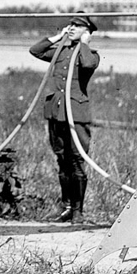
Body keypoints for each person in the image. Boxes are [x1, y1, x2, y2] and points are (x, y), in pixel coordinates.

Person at [29, 12, 100, 225]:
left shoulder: (90, 54)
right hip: (56, 112)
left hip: (76, 114)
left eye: (78, 26)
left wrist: (84, 43)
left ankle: (78, 211)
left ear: (87, 31)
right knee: (62, 160)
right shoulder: (61, 51)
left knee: (77, 161)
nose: (72, 28)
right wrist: (58, 37)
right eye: (71, 24)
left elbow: (88, 65)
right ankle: (66, 208)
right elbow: (35, 50)